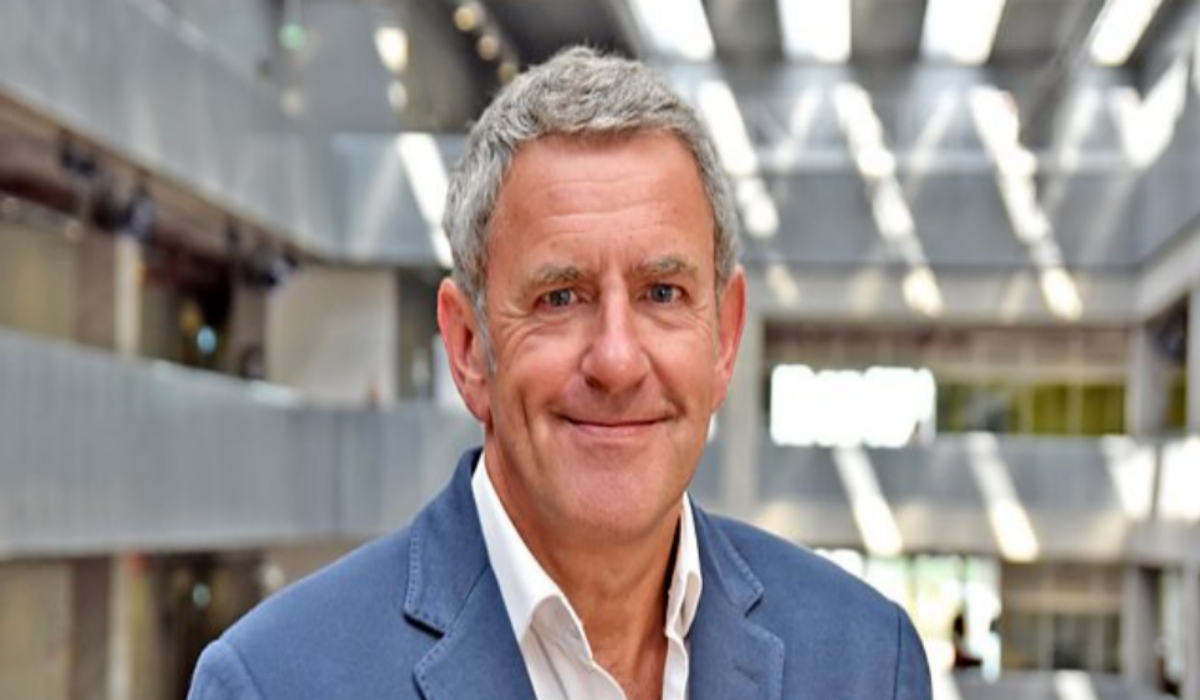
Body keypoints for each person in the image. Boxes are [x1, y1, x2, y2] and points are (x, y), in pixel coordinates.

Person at [188, 47, 931, 700]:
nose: (616, 360)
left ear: (725, 337)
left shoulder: (867, 661)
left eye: (662, 293)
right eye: (561, 298)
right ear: (469, 346)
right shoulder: (275, 682)